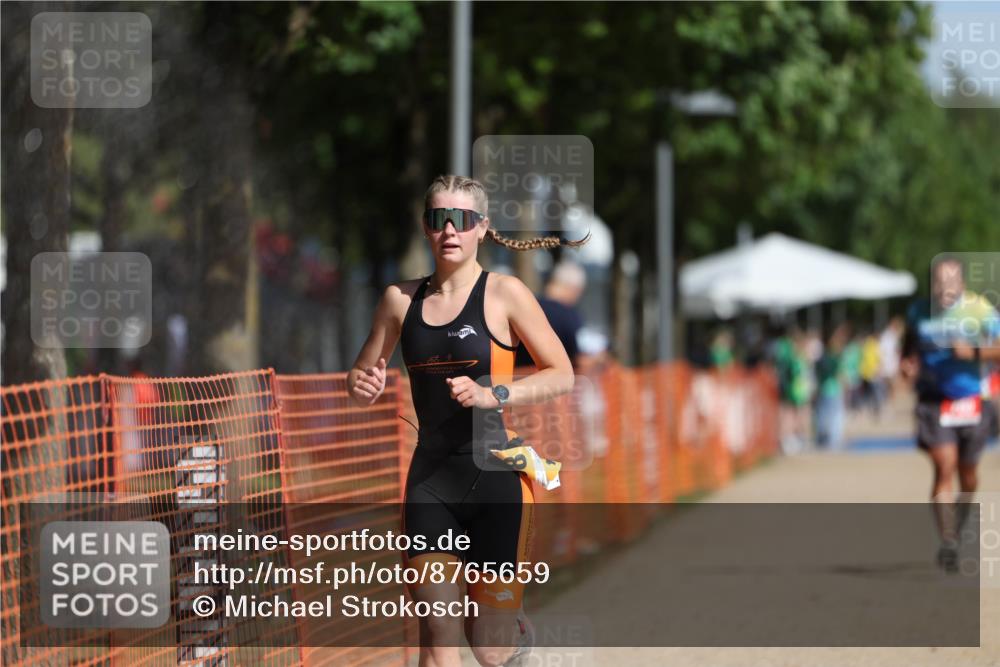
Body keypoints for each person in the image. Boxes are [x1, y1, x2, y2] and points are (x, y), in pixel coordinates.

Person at [347, 175, 585, 667]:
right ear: (425, 228)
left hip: (496, 476)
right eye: (439, 220)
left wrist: (492, 393)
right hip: (431, 481)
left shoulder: (506, 293)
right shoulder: (399, 300)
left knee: (489, 646)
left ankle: (516, 641)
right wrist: (360, 383)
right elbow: (364, 369)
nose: (450, 230)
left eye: (463, 220)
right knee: (438, 631)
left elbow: (561, 374)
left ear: (483, 229)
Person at [901, 256, 1000, 571]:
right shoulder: (918, 312)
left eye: (952, 281)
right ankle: (948, 541)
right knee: (944, 465)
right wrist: (908, 364)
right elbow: (909, 348)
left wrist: (973, 352)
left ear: (963, 284)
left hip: (971, 400)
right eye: (939, 282)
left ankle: (959, 519)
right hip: (933, 400)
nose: (945, 288)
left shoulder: (980, 309)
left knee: (967, 475)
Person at [514, 261, 586, 369]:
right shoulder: (569, 316)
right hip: (551, 381)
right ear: (574, 289)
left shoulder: (526, 305)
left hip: (514, 378)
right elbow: (580, 360)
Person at [814, 324, 850, 449]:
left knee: (823, 415)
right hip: (834, 389)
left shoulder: (821, 358)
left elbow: (817, 374)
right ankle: (834, 439)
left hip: (824, 389)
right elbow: (840, 374)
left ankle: (823, 438)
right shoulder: (834, 358)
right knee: (835, 415)